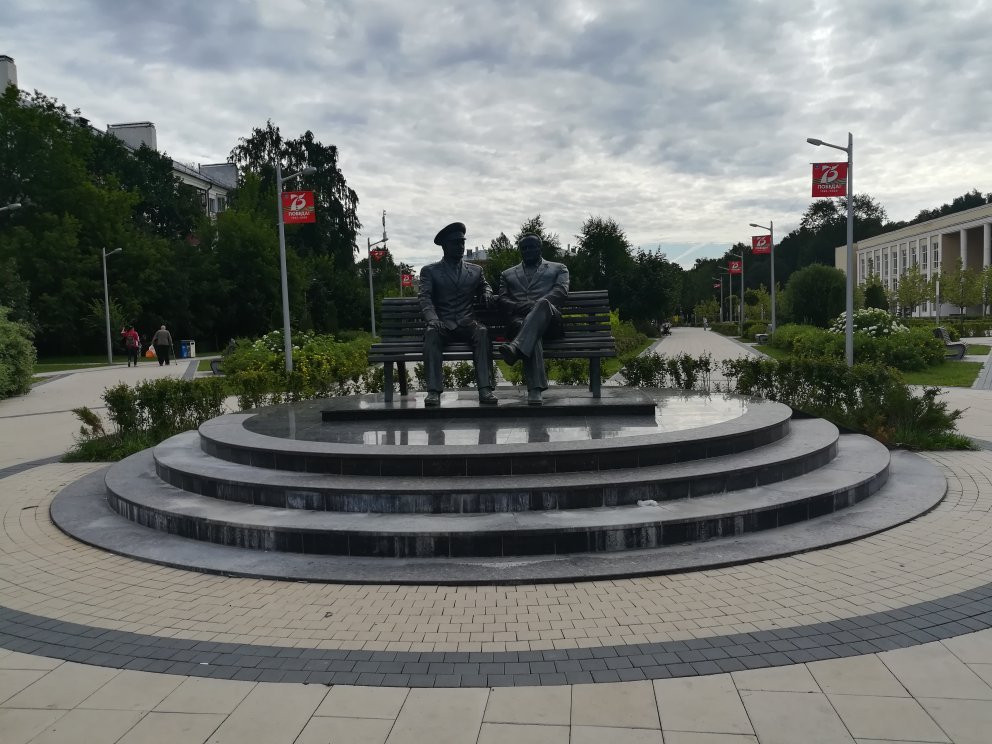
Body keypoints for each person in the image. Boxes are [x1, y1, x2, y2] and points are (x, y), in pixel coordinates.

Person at [419, 222, 498, 407]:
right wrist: (433, 319)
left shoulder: (476, 270)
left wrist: (487, 292)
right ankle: (433, 391)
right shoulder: (430, 271)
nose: (460, 247)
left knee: (482, 332)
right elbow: (425, 297)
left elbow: (484, 285)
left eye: (462, 242)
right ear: (445, 246)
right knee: (431, 334)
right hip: (442, 323)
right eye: (456, 243)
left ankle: (485, 389)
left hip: (467, 321)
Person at [496, 234, 569, 406]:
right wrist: (526, 308)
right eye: (524, 248)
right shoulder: (507, 274)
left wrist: (536, 306)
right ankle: (534, 391)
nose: (528, 250)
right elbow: (502, 299)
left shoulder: (558, 268)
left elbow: (560, 292)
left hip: (550, 322)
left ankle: (514, 347)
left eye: (532, 247)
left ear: (540, 248)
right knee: (530, 331)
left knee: (543, 304)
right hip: (519, 323)